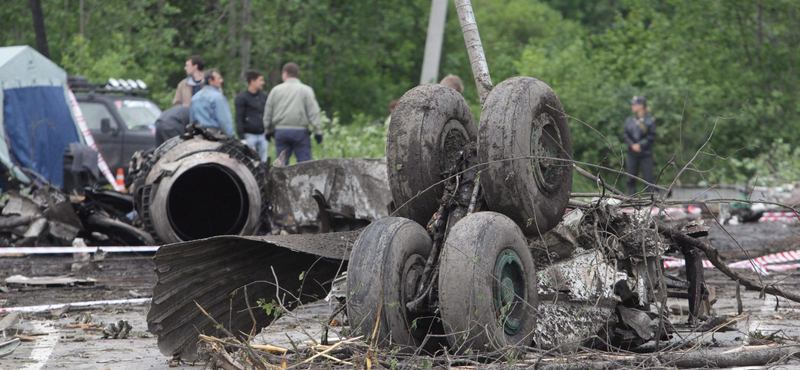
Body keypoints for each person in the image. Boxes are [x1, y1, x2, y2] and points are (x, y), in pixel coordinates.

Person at [263, 62, 322, 164]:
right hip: (301, 132)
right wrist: (318, 131)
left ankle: (281, 180)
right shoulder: (306, 90)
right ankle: (304, 179)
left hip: (281, 131)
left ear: (285, 73)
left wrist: (268, 130)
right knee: (304, 164)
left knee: (281, 164)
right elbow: (314, 112)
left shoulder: (276, 90)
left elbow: (268, 112)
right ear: (296, 74)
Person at [623, 96, 656, 195]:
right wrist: (632, 145)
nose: (632, 106)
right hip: (632, 153)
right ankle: (630, 198)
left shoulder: (650, 121)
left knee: (648, 178)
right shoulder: (629, 120)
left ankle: (649, 200)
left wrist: (640, 145)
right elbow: (625, 134)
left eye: (635, 104)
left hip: (645, 152)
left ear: (641, 106)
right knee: (630, 177)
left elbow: (651, 136)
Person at [235, 70, 269, 162]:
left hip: (262, 135)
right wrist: (241, 137)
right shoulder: (242, 98)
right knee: (250, 161)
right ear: (252, 81)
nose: (263, 83)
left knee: (264, 161)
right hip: (249, 135)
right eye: (260, 80)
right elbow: (239, 118)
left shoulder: (263, 97)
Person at [190, 69, 235, 137]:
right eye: (219, 78)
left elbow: (192, 120)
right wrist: (231, 136)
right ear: (211, 80)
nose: (221, 81)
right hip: (215, 135)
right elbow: (224, 121)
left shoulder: (195, 97)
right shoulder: (218, 97)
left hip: (199, 136)